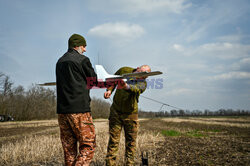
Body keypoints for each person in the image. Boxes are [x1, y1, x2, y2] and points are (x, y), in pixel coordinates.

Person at [56, 34, 97, 166]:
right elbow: (93, 81)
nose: (85, 49)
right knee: (88, 144)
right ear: (77, 46)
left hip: (62, 111)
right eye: (84, 46)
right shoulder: (83, 60)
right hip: (79, 109)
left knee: (69, 148)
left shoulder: (60, 61)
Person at [104, 65, 151, 166]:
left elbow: (135, 89)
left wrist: (126, 86)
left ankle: (129, 164)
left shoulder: (143, 83)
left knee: (131, 143)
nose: (142, 78)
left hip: (131, 114)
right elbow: (113, 80)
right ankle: (110, 164)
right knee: (113, 141)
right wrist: (109, 90)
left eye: (144, 77)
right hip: (116, 111)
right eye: (141, 74)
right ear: (137, 68)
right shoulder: (124, 70)